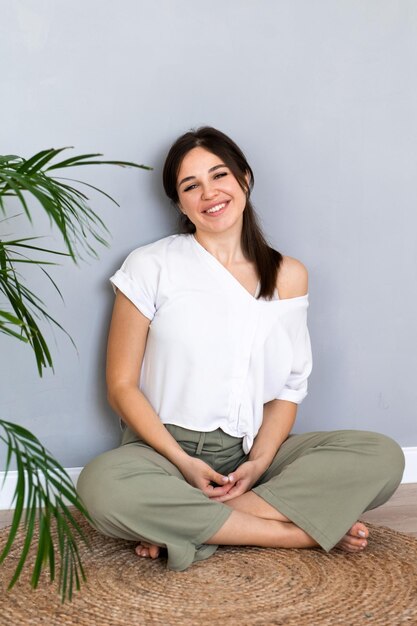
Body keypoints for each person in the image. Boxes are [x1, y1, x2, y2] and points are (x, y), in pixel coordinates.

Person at [77, 127, 405, 570]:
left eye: (220, 175)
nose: (209, 193)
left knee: (382, 457)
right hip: (161, 455)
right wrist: (183, 463)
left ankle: (187, 526)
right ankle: (295, 535)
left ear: (244, 179)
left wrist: (260, 461)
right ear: (179, 203)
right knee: (102, 486)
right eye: (190, 185)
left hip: (247, 457)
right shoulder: (151, 265)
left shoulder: (288, 275)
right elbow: (120, 385)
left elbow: (290, 387)